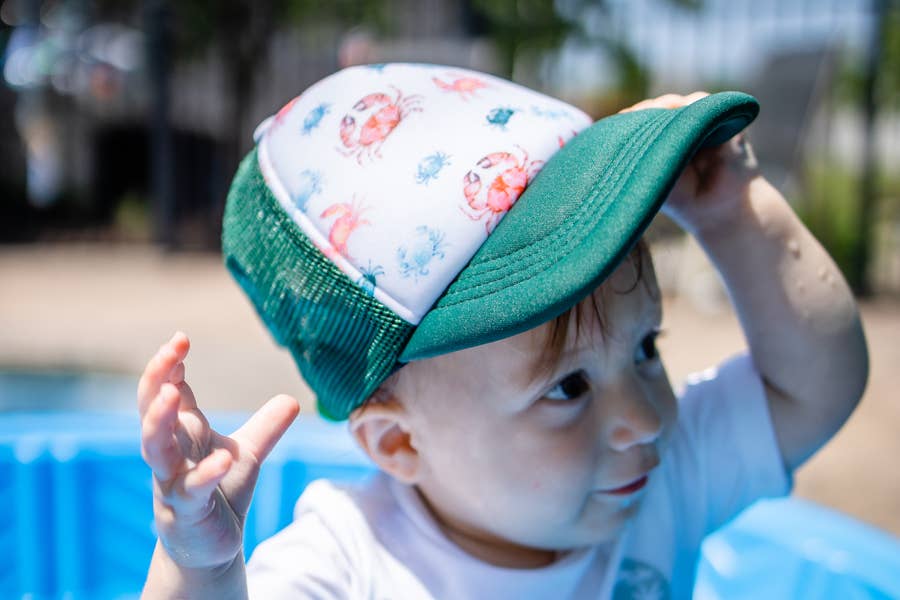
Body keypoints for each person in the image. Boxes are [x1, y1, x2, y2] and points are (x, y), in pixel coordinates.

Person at [137, 64, 868, 599]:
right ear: (399, 443)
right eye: (569, 386)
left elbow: (813, 391)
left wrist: (734, 216)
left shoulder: (657, 485)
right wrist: (199, 568)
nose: (645, 417)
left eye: (648, 348)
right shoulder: (349, 563)